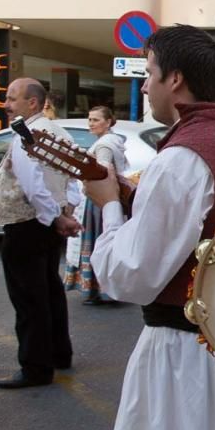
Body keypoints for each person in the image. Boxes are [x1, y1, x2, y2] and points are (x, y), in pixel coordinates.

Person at [85, 25, 215, 430]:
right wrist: (138, 196)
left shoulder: (183, 155)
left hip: (183, 349)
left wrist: (109, 203)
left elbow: (130, 274)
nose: (144, 84)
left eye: (149, 73)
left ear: (175, 79)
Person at [0, 79, 82, 389]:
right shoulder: (58, 131)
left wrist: (55, 217)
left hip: (27, 224)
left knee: (29, 299)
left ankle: (35, 368)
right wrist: (66, 212)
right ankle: (58, 353)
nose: (6, 104)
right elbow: (74, 174)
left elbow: (33, 183)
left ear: (33, 103)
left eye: (13, 99)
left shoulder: (29, 134)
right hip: (45, 223)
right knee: (49, 292)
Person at [64, 106, 127, 305]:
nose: (91, 124)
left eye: (95, 120)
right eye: (89, 119)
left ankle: (98, 289)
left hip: (99, 202)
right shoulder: (112, 141)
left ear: (108, 122)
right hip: (107, 199)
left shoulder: (105, 145)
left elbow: (103, 171)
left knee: (98, 243)